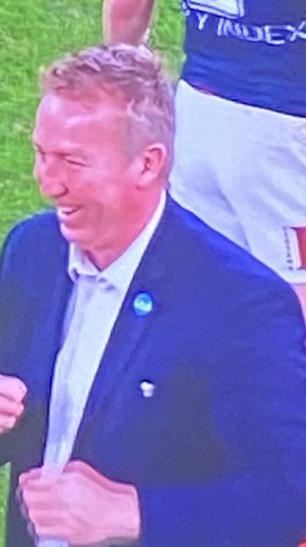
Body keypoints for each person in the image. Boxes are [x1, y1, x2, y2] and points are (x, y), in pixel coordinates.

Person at [0, 44, 306, 547]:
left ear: (148, 164)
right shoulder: (32, 253)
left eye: (73, 162)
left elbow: (290, 492)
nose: (47, 181)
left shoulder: (240, 305)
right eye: (41, 154)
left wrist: (133, 515)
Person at [102, 0, 306, 313]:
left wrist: (125, 66)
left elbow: (128, 6)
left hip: (196, 117)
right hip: (282, 133)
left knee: (205, 281)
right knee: (297, 292)